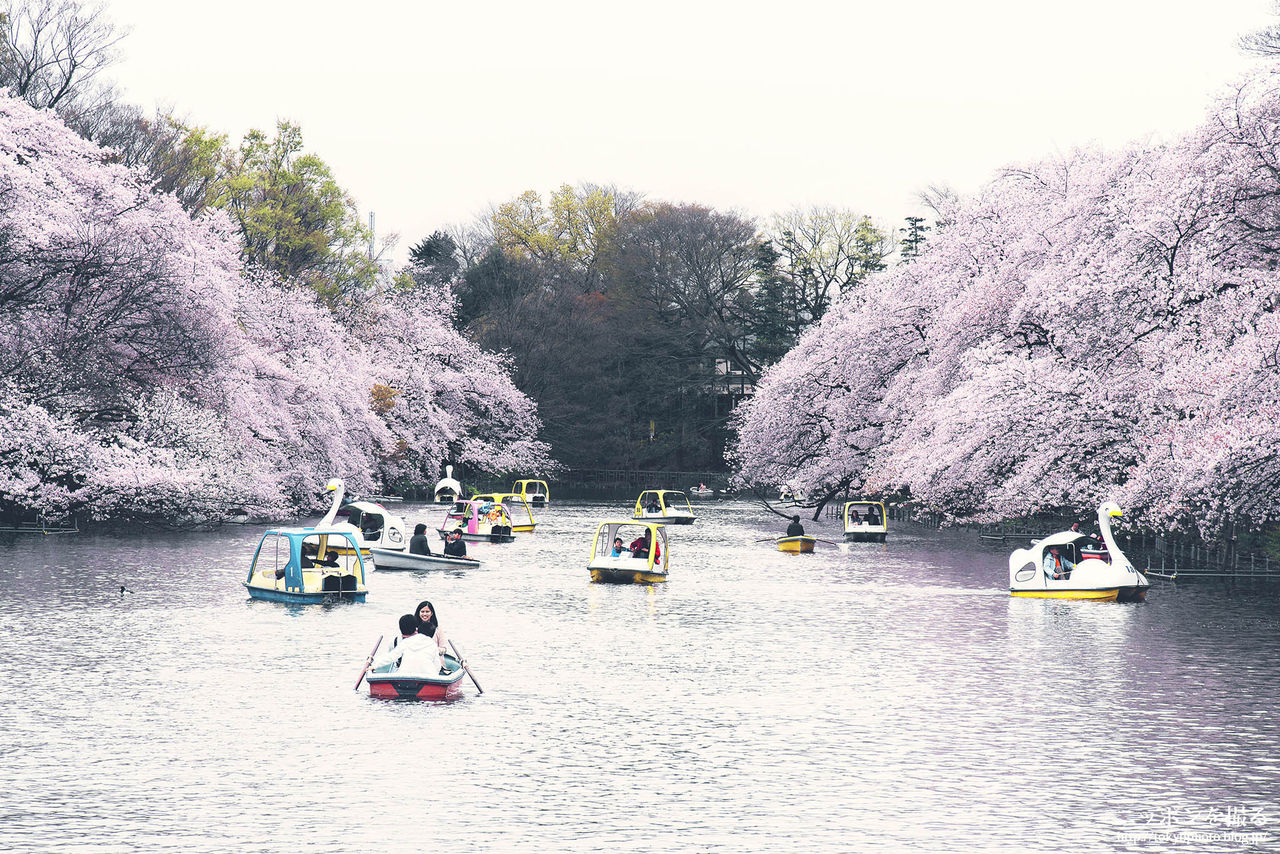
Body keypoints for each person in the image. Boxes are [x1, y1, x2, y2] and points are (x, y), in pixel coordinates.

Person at [372, 614, 442, 677]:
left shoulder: (405, 642)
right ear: (416, 629)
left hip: (405, 675)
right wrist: (435, 675)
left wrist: (374, 664)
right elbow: (437, 665)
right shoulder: (431, 643)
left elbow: (391, 657)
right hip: (428, 676)